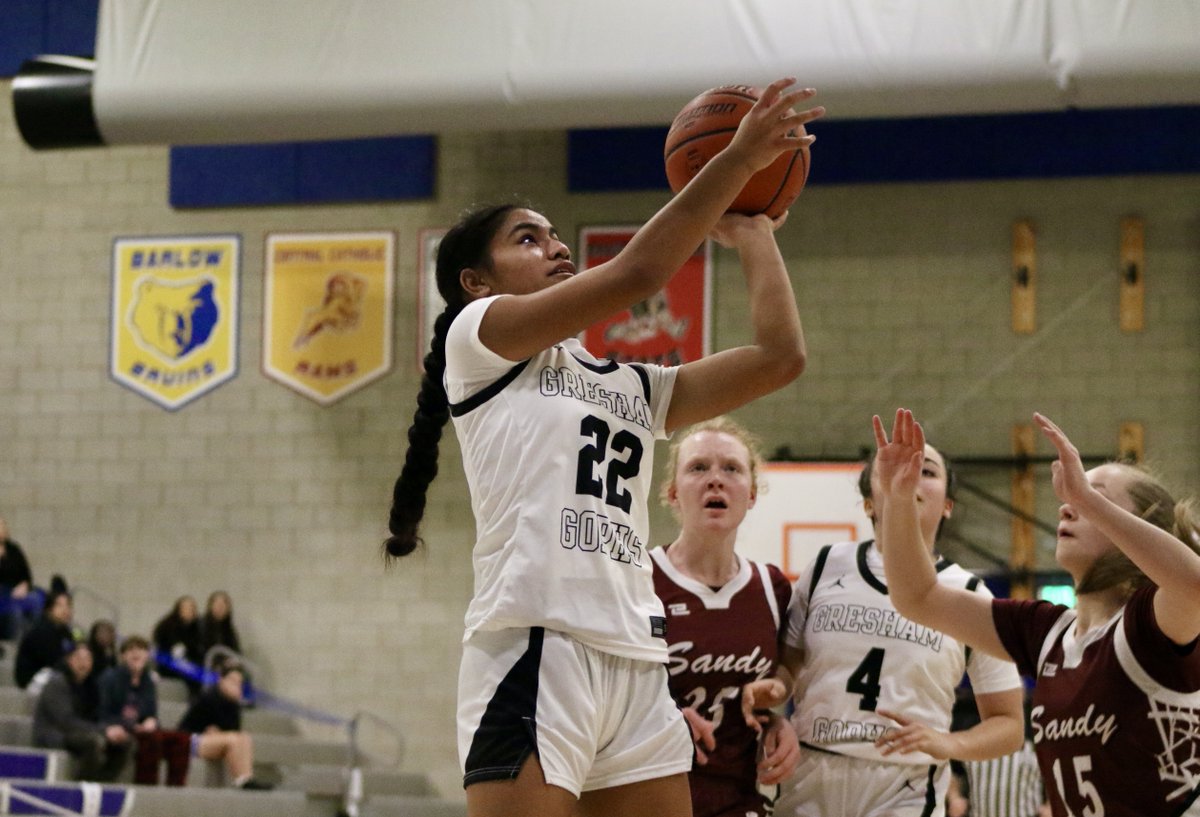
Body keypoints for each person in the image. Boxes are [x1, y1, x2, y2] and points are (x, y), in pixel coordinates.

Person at [383, 77, 822, 817]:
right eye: (528, 238)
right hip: (535, 648)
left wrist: (754, 233)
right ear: (475, 282)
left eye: (555, 235)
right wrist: (737, 160)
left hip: (637, 658)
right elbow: (638, 273)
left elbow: (779, 358)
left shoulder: (628, 385)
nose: (555, 246)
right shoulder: (478, 338)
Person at [873, 408, 1200, 817]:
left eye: (1096, 496)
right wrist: (899, 500)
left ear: (1141, 525)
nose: (1067, 505)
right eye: (1073, 495)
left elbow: (1194, 585)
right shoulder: (1046, 632)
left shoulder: (1151, 622)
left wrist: (1087, 500)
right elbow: (918, 596)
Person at [743, 426, 1025, 817]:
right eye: (891, 468)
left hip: (905, 785)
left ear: (948, 505)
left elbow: (1009, 725)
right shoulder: (826, 565)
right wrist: (775, 689)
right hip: (810, 770)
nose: (909, 477)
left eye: (926, 470)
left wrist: (951, 743)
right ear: (868, 504)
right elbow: (789, 668)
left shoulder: (971, 593)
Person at [651, 417, 800, 817]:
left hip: (739, 801)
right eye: (699, 467)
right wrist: (659, 721)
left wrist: (778, 720)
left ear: (751, 494)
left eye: (731, 468)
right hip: (652, 798)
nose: (715, 480)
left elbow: (783, 674)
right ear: (673, 492)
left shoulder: (771, 587)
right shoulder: (638, 580)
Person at [98, 634, 191, 786]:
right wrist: (132, 726)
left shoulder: (148, 681)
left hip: (142, 730)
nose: (136, 653)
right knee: (151, 740)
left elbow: (151, 713)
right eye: (131, 650)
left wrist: (152, 721)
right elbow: (102, 713)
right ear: (122, 656)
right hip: (118, 727)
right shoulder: (110, 678)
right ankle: (146, 787)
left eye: (141, 649)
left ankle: (175, 788)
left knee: (181, 739)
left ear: (147, 655)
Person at [32, 641, 131, 782]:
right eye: (78, 658)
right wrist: (104, 731)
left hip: (80, 732)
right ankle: (82, 785)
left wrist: (113, 730)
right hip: (54, 734)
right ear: (69, 660)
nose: (83, 664)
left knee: (124, 741)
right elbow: (65, 722)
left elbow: (96, 717)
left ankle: (104, 782)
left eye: (87, 659)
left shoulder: (90, 686)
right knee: (93, 741)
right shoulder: (57, 683)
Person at [178, 663, 271, 790]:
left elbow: (232, 730)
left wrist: (219, 734)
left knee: (244, 737)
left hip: (213, 740)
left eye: (239, 683)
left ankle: (247, 778)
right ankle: (242, 780)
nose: (236, 686)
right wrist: (218, 734)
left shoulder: (233, 704)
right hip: (188, 740)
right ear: (222, 680)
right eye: (232, 681)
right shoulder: (210, 697)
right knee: (233, 739)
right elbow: (206, 729)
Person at [15, 589, 78, 689]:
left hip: (52, 676)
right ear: (49, 610)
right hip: (33, 679)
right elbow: (54, 662)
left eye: (68, 605)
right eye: (60, 605)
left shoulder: (66, 632)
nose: (65, 610)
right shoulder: (41, 631)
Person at [0, 514, 46, 640]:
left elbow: (26, 575)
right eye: (0, 525)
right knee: (15, 610)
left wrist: (24, 585)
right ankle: (16, 642)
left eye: (4, 525)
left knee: (37, 600)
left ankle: (34, 639)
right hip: (3, 596)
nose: (3, 528)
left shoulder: (13, 549)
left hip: (18, 591)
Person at [153, 595, 204, 694]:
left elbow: (197, 649)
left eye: (192, 608)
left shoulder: (197, 628)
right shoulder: (167, 626)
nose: (189, 611)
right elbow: (167, 650)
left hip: (189, 663)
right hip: (169, 664)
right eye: (186, 608)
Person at [199, 590, 241, 665]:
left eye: (223, 606)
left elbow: (236, 651)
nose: (220, 609)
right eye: (217, 605)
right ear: (210, 606)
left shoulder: (229, 629)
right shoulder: (201, 626)